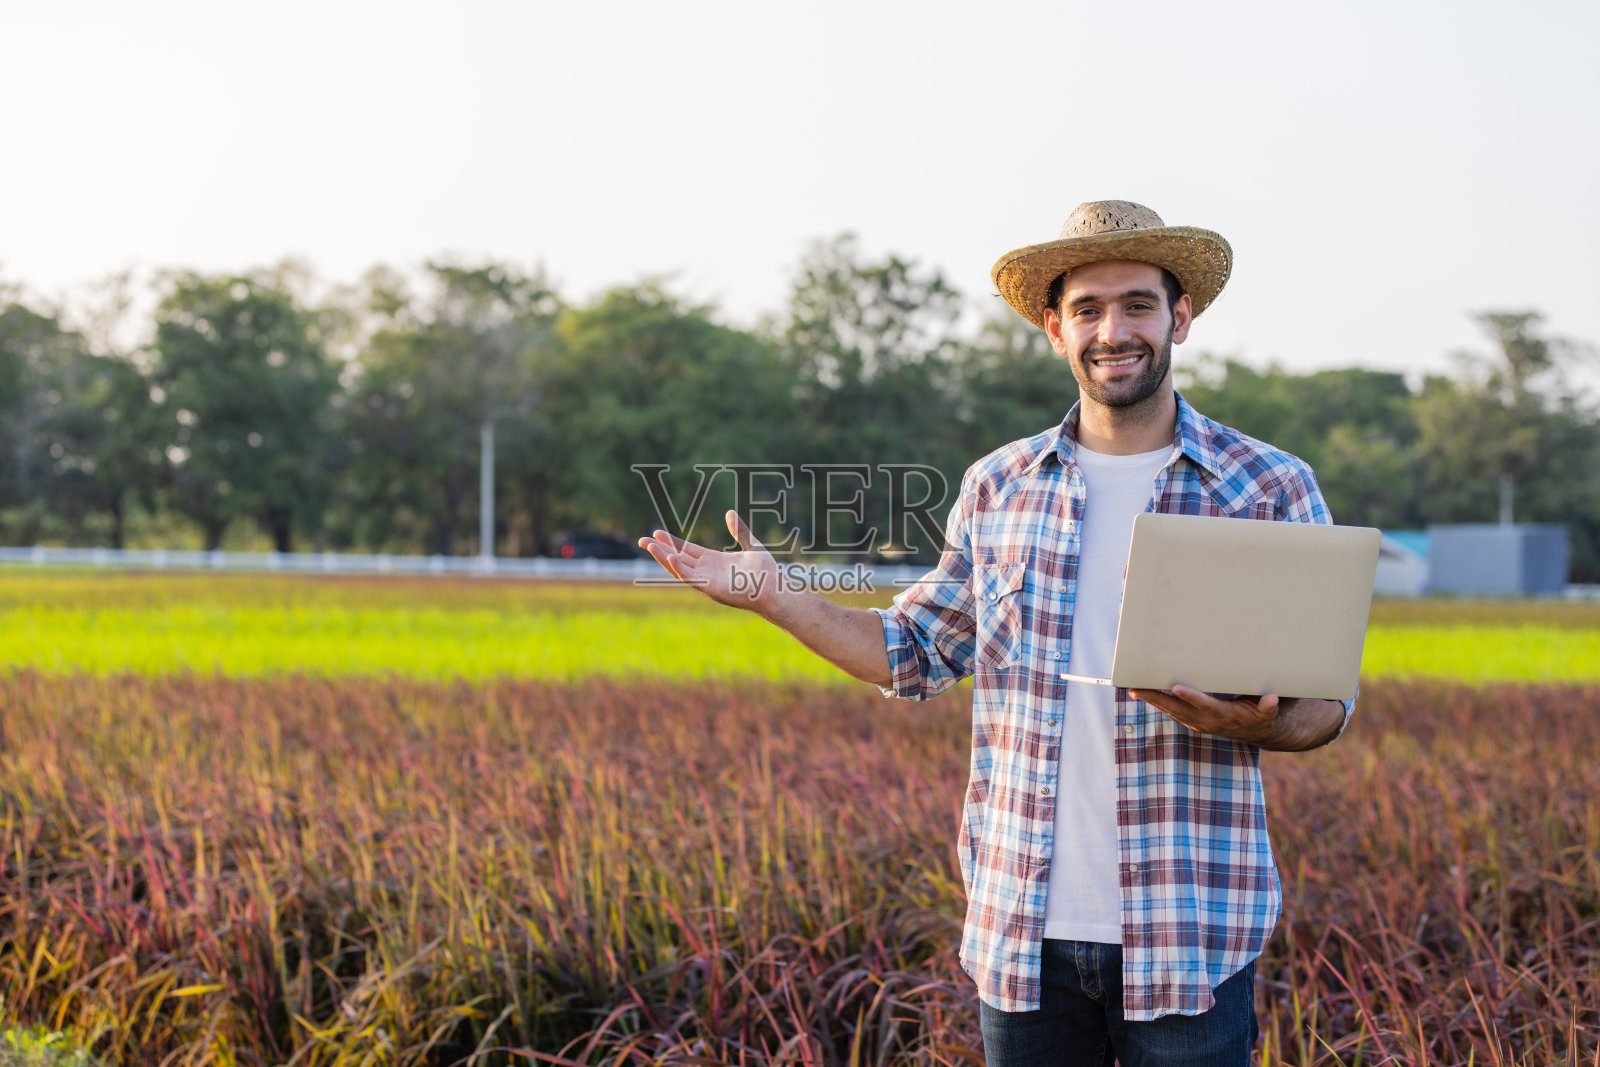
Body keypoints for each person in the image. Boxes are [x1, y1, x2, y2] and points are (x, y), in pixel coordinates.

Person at [638, 201, 1354, 1066]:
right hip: (1024, 936)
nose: (1113, 330)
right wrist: (778, 597)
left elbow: (1325, 704)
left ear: (1182, 318)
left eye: (1137, 304)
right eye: (1087, 310)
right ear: (1055, 329)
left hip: (1191, 928)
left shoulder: (1270, 486)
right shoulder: (998, 485)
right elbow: (911, 652)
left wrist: (1257, 724)